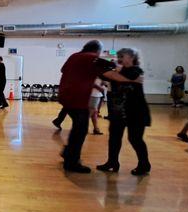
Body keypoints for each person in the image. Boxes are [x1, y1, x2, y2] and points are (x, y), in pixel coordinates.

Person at [58, 40, 143, 173]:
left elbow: (65, 70)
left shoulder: (74, 56)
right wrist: (132, 80)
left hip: (66, 96)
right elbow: (110, 75)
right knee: (80, 130)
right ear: (97, 50)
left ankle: (69, 153)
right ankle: (71, 162)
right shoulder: (93, 58)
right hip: (78, 99)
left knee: (78, 127)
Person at [97, 48, 151, 176]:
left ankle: (144, 164)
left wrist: (113, 69)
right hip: (118, 110)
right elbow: (102, 73)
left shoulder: (137, 71)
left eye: (122, 55)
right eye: (119, 55)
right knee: (114, 138)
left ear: (132, 57)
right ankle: (112, 162)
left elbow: (127, 76)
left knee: (135, 139)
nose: (119, 57)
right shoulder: (118, 71)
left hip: (136, 110)